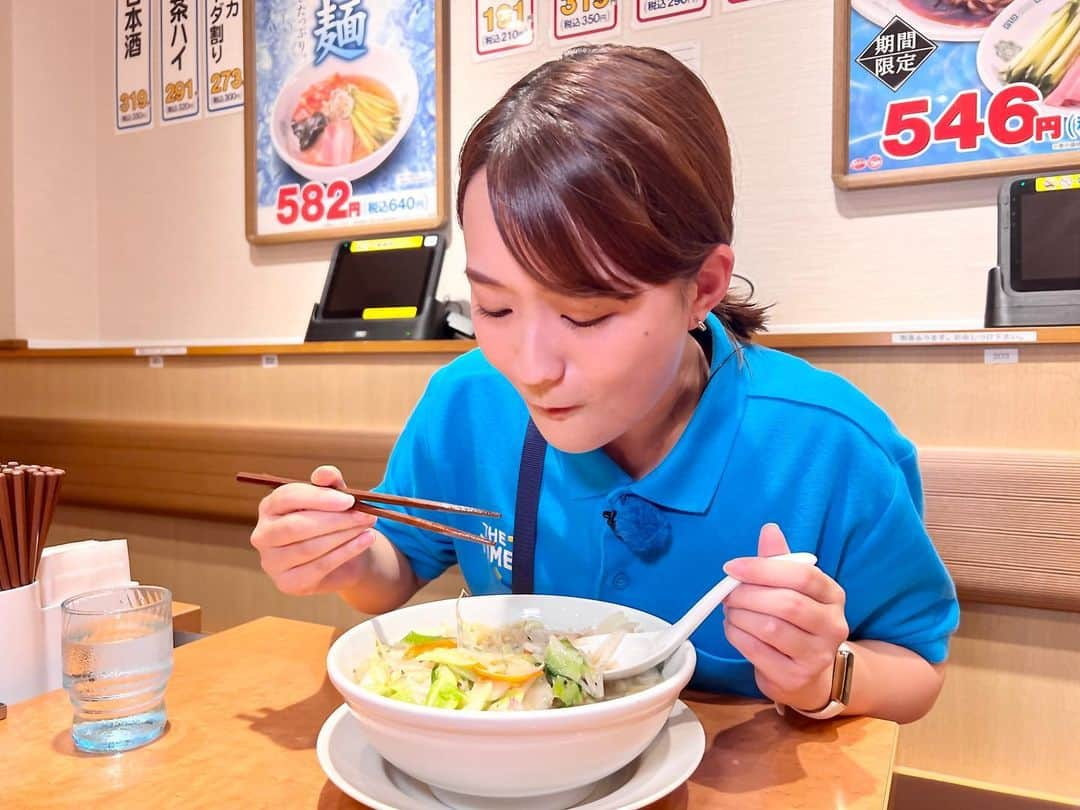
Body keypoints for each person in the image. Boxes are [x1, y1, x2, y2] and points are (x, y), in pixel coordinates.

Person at [250, 44, 958, 723]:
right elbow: (396, 570)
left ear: (701, 288)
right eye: (493, 307)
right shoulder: (468, 403)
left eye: (585, 314)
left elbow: (916, 670)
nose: (529, 365)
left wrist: (821, 674)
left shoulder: (830, 447)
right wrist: (336, 555)